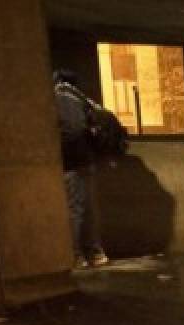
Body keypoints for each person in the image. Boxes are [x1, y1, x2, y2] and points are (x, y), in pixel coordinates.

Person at [54, 69, 109, 269]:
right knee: (89, 208)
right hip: (86, 159)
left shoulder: (60, 97)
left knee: (75, 209)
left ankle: (77, 255)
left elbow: (72, 129)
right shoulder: (80, 98)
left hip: (72, 161)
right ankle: (95, 252)